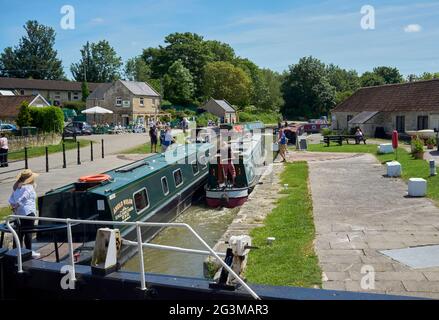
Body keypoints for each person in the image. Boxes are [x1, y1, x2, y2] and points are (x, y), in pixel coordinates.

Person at [8, 169, 40, 258]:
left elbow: (10, 199)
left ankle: (17, 252)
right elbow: (24, 197)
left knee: (18, 233)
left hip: (18, 213)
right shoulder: (29, 187)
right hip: (28, 212)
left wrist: (14, 206)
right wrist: (17, 205)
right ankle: (29, 252)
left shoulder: (17, 187)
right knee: (28, 233)